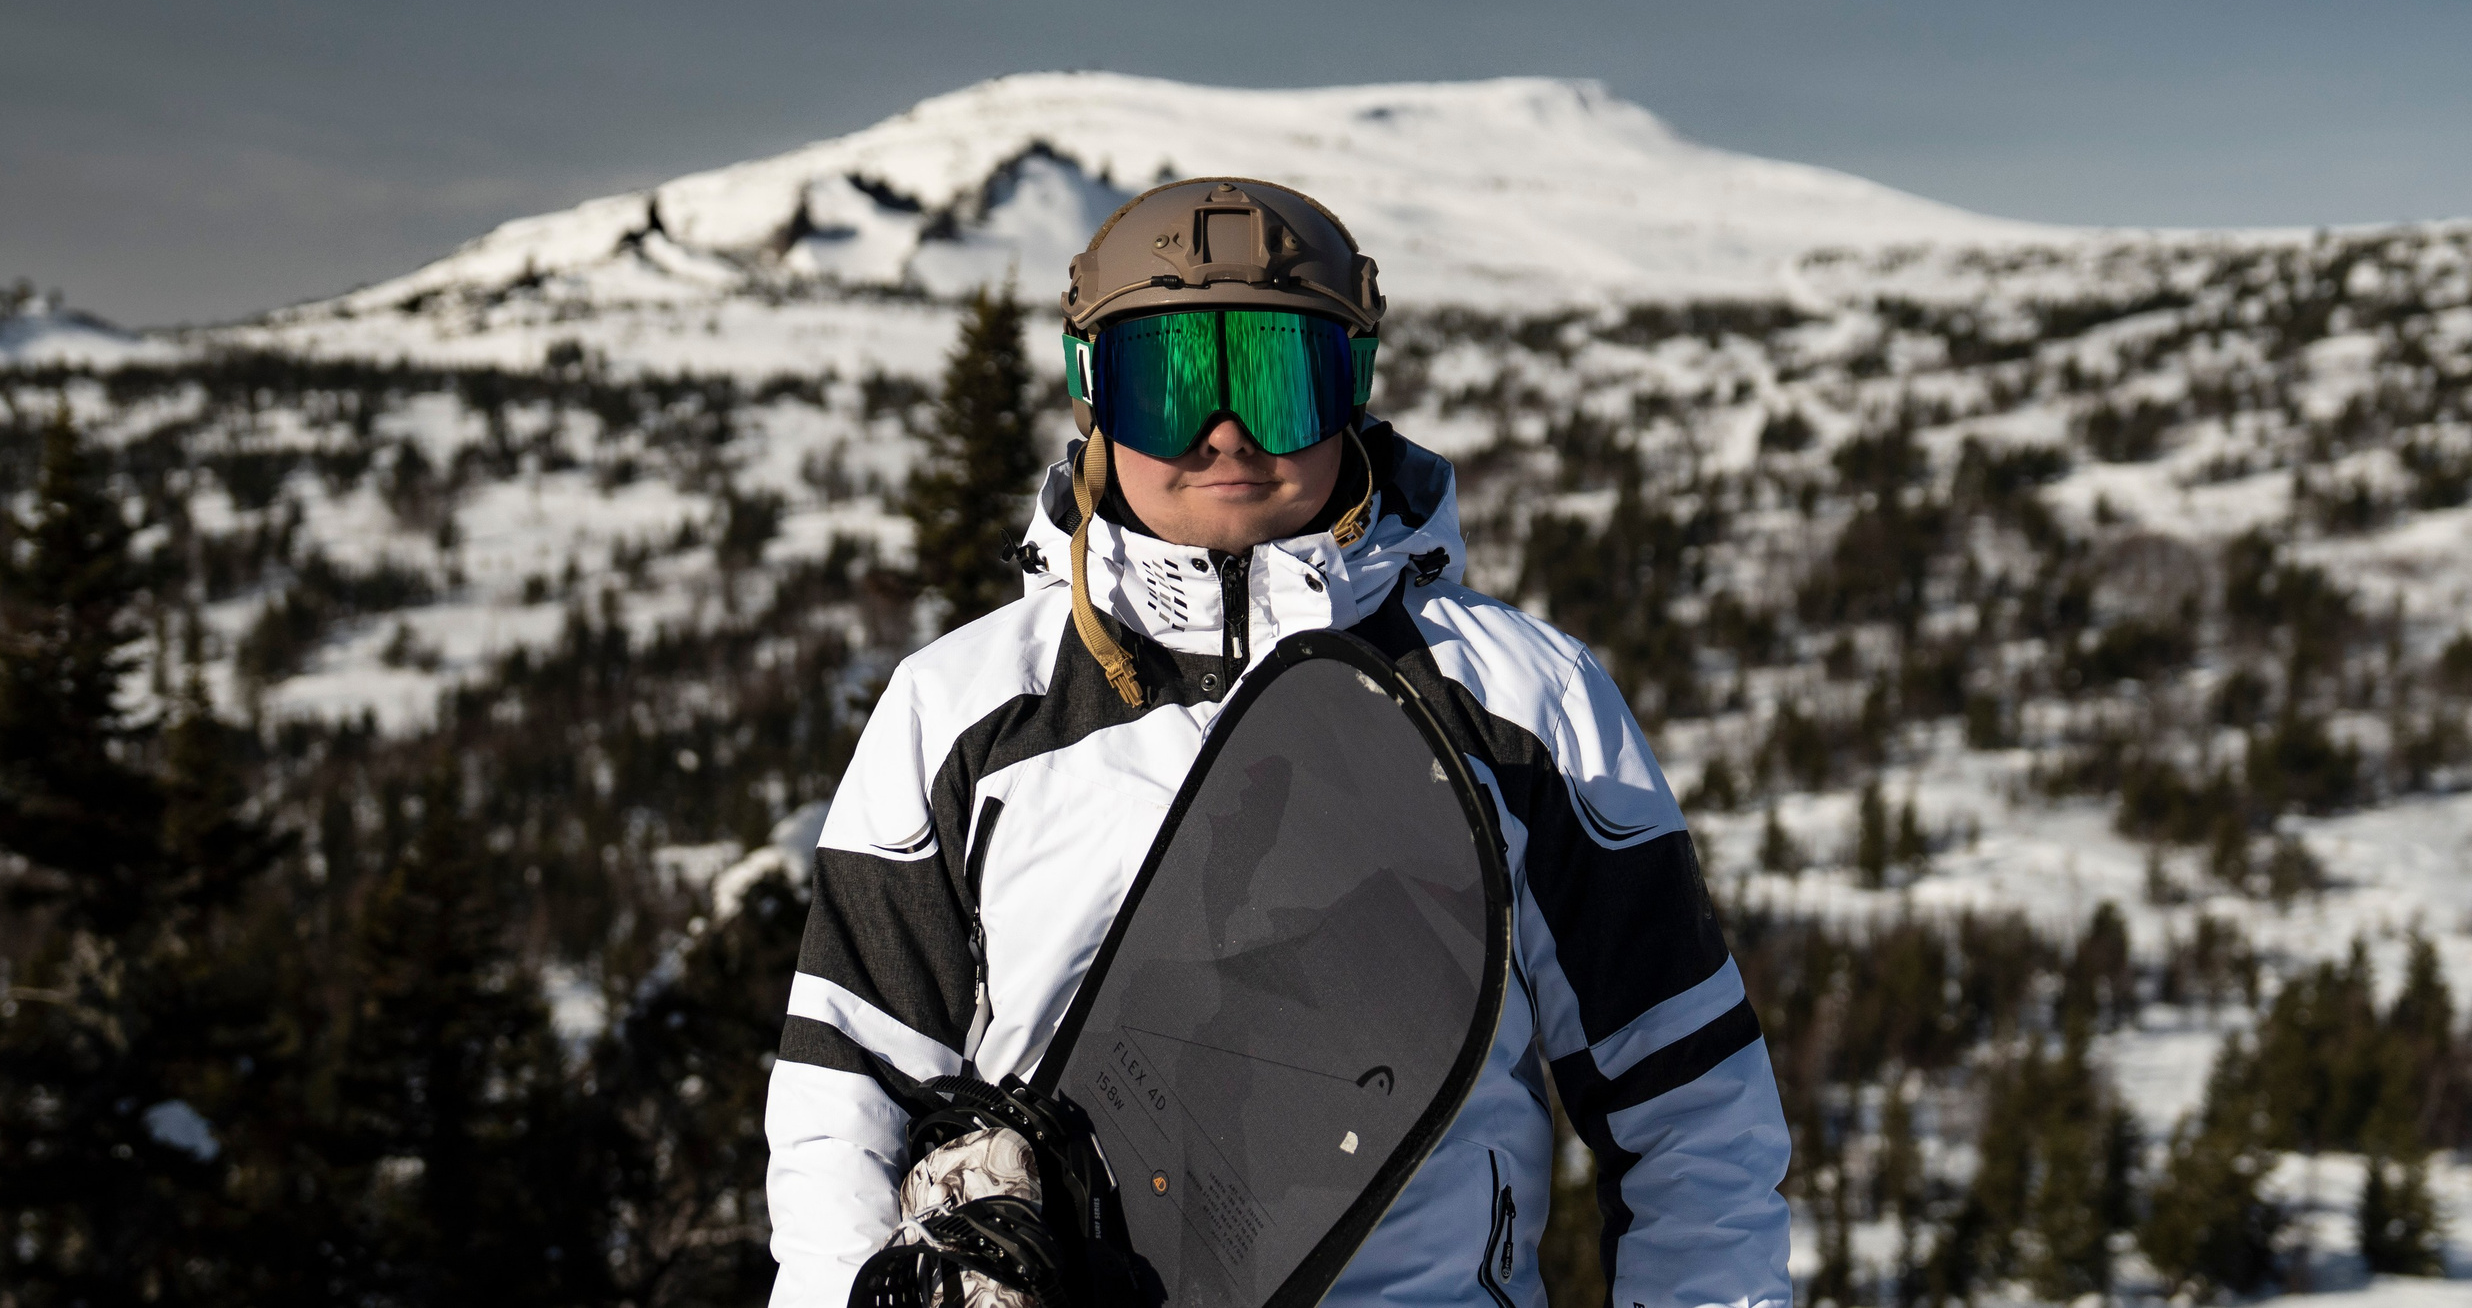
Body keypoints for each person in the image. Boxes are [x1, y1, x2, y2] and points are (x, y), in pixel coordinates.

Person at [765, 180, 1792, 1308]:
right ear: (1089, 396)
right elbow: (846, 1105)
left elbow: (1691, 1103)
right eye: (1169, 386)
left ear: (1350, 386)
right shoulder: (962, 709)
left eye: (1272, 376)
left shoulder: (1519, 700)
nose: (1224, 434)